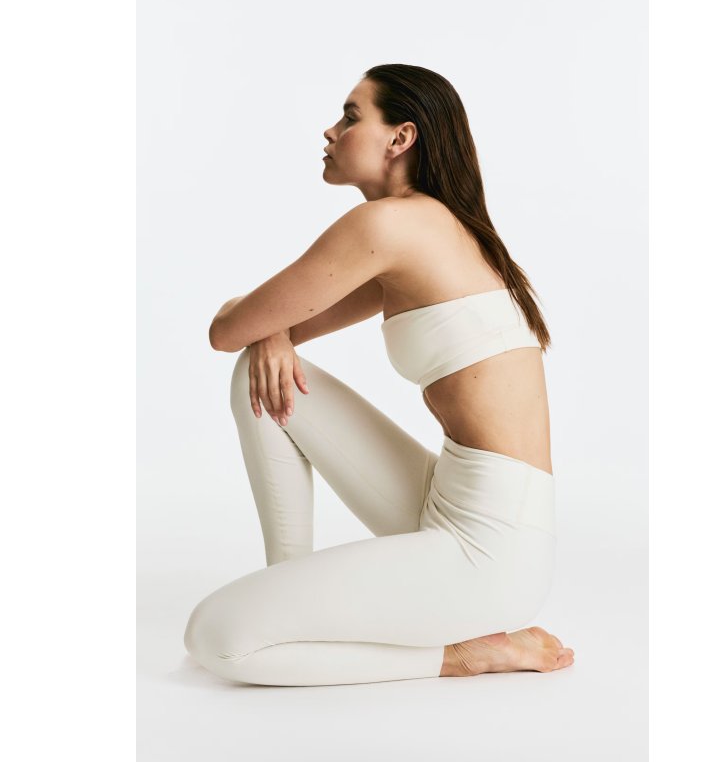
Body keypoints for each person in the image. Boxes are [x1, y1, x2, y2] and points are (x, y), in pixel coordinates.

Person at [184, 64, 575, 686]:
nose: (330, 131)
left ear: (401, 137)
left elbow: (227, 327)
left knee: (216, 639)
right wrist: (275, 329)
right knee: (258, 376)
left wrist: (268, 325)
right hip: (459, 502)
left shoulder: (388, 226)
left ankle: (465, 655)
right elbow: (261, 330)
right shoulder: (430, 227)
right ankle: (288, 585)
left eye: (350, 116)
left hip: (490, 551)